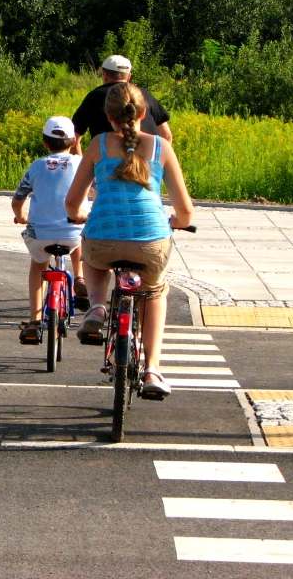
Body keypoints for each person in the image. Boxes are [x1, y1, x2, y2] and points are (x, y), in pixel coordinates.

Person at [65, 82, 193, 397]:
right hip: (150, 241)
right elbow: (185, 211)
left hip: (103, 239)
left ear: (107, 117)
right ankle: (152, 370)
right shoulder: (162, 147)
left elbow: (72, 202)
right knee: (154, 292)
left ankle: (96, 306)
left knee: (93, 259)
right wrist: (176, 222)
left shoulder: (97, 145)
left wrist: (79, 215)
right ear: (144, 113)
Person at [11, 116, 89, 345]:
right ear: (73, 141)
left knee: (38, 267)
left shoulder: (36, 166)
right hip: (72, 234)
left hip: (41, 236)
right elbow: (96, 191)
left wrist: (21, 216)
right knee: (77, 229)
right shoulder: (81, 165)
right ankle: (80, 277)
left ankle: (34, 321)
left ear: (45, 143)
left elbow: (18, 199)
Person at [70, 55, 171, 155]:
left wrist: (81, 166)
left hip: (109, 163)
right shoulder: (143, 94)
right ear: (129, 76)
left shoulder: (94, 97)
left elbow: (74, 138)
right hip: (148, 164)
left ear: (105, 75)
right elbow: (166, 135)